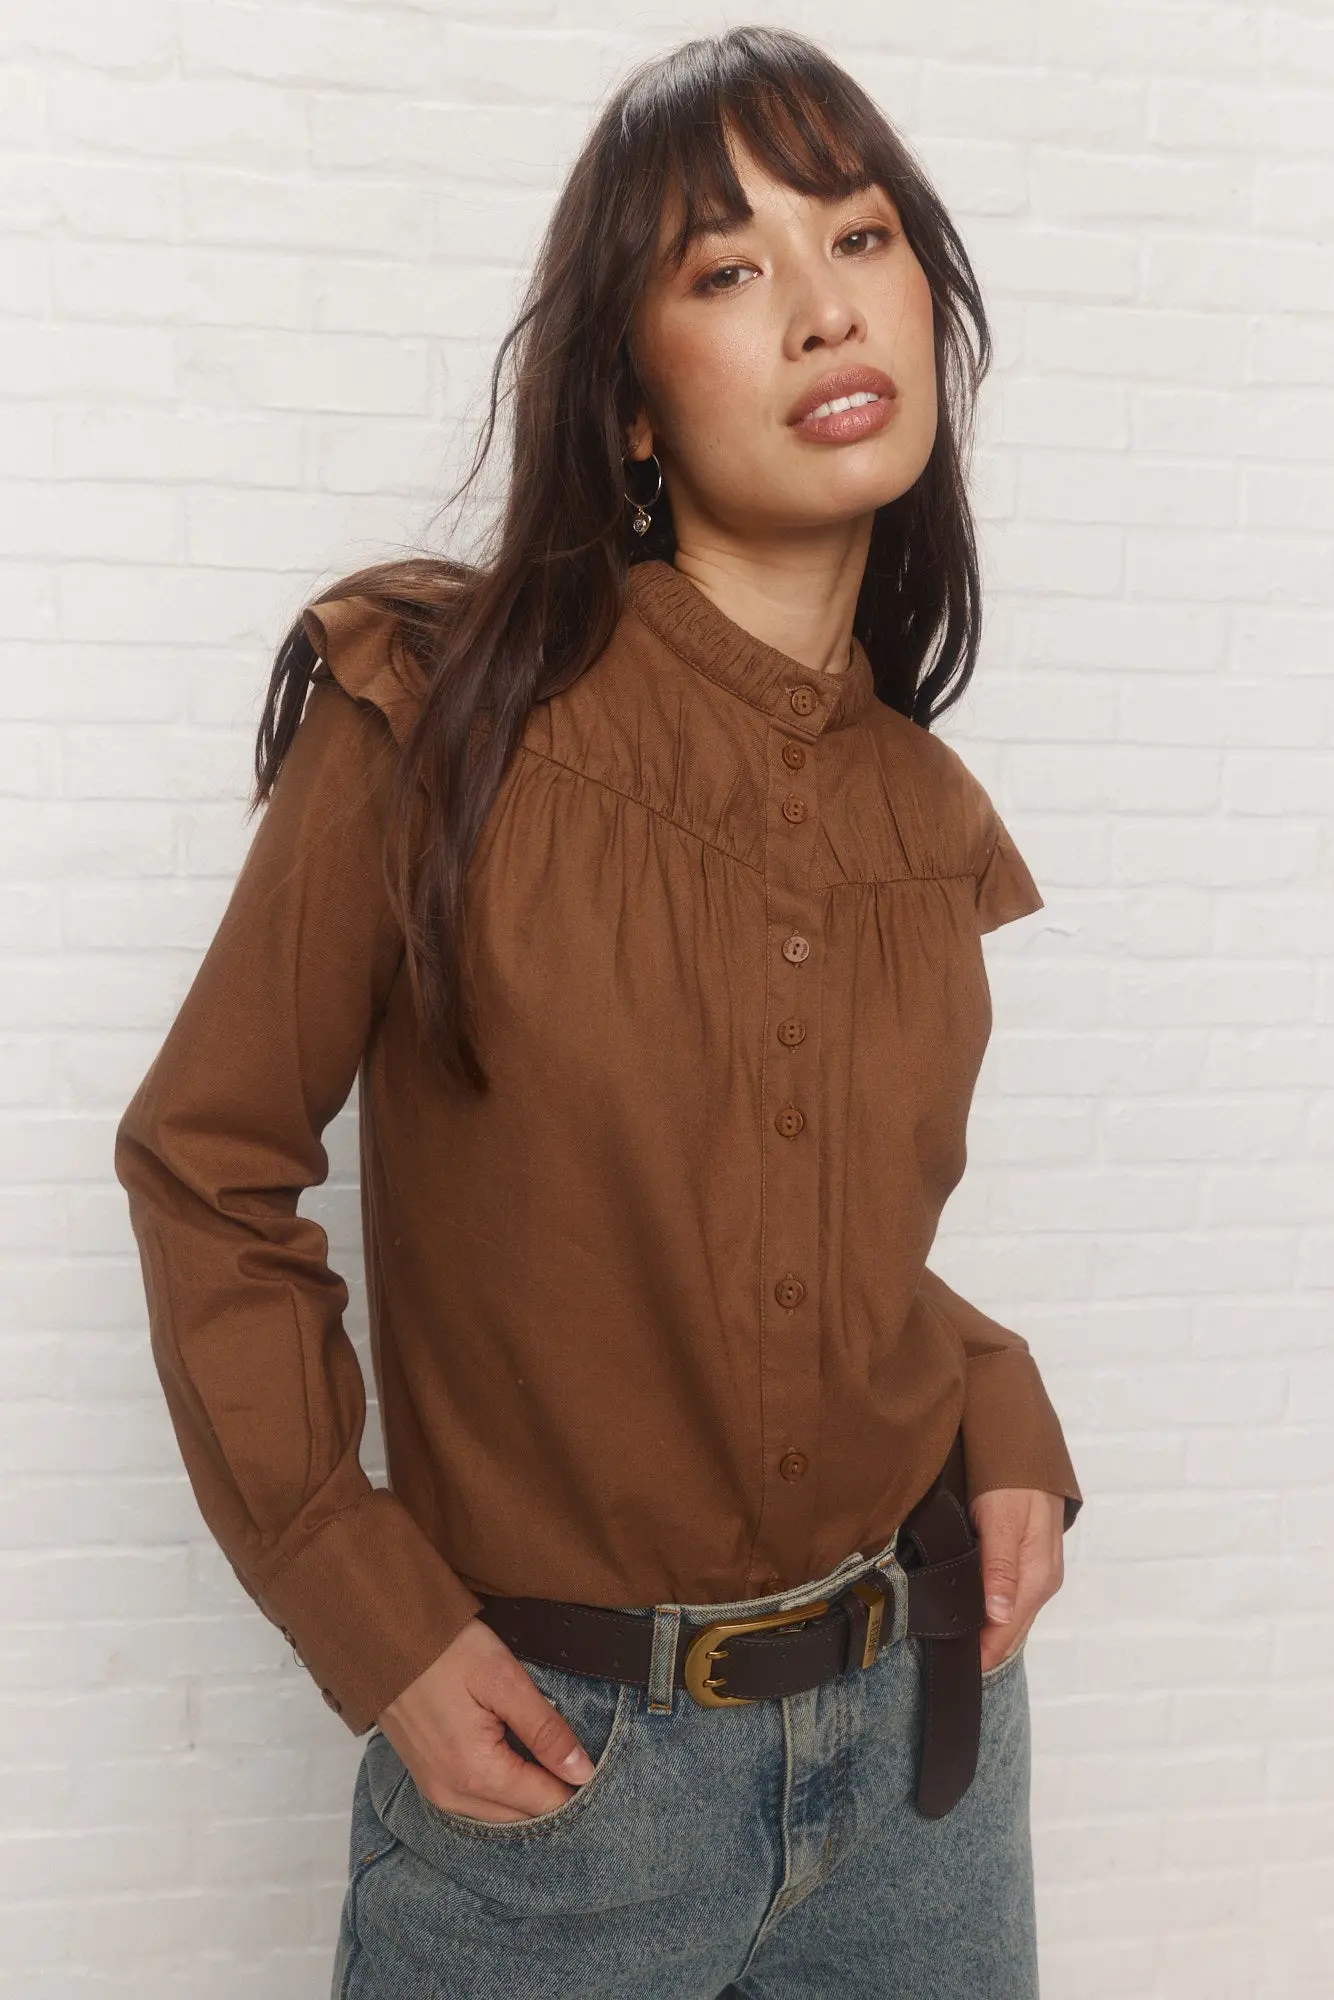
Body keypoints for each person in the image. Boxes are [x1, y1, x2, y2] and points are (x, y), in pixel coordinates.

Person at [114, 26, 1083, 2000]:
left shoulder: (923, 821)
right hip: (561, 1790)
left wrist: (996, 1409)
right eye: (725, 269)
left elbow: (808, 1245)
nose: (822, 306)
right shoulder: (436, 714)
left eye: (860, 236)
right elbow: (208, 1168)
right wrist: (368, 1610)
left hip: (925, 1762)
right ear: (631, 407)